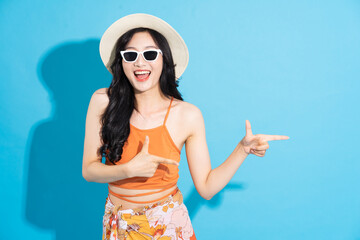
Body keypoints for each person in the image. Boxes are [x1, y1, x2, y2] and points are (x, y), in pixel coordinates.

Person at [82, 13, 289, 240]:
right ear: (122, 62)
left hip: (167, 227)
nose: (140, 62)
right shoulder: (103, 102)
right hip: (116, 226)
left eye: (150, 54)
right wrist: (129, 170)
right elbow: (89, 170)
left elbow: (206, 187)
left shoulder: (187, 115)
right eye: (131, 55)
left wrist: (242, 150)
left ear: (164, 59)